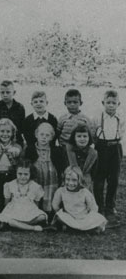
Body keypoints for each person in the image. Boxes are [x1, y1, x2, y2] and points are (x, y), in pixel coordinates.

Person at [91, 90, 125, 226]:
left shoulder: (121, 118)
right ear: (103, 103)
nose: (111, 106)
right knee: (99, 178)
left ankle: (110, 207)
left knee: (114, 179)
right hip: (102, 147)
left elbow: (121, 133)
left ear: (118, 104)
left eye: (114, 103)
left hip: (115, 147)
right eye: (108, 103)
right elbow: (93, 133)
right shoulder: (98, 117)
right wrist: (100, 145)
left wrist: (114, 144)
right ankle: (99, 206)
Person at [23, 123, 67, 219]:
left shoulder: (56, 150)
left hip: (51, 180)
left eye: (47, 135)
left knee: (50, 194)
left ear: (51, 137)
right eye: (41, 135)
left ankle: (50, 213)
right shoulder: (30, 149)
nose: (44, 138)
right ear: (36, 135)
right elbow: (26, 164)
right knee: (35, 193)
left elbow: (61, 166)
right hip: (36, 178)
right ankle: (34, 212)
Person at [52, 166, 107, 233]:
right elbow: (55, 205)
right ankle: (82, 229)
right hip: (69, 217)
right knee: (59, 217)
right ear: (64, 179)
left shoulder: (84, 192)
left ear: (79, 180)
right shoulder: (61, 191)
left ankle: (74, 229)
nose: (70, 183)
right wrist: (63, 213)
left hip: (83, 218)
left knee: (100, 222)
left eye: (74, 180)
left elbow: (93, 207)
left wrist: (90, 216)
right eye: (68, 179)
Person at [0, 160, 47, 232]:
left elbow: (37, 203)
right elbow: (6, 201)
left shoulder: (35, 186)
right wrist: (7, 211)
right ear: (16, 173)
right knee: (10, 219)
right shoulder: (10, 185)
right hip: (15, 209)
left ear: (30, 174)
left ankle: (16, 225)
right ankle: (33, 228)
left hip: (29, 209)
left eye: (26, 174)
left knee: (42, 217)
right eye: (20, 174)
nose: (23, 177)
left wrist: (34, 212)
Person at [0, 118, 22, 213]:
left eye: (8, 131)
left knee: (8, 194)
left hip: (10, 174)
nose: (5, 134)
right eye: (2, 131)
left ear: (12, 133)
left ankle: (9, 212)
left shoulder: (15, 146)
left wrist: (16, 151)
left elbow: (19, 150)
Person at [0, 80, 25, 146]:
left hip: (16, 140)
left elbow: (21, 128)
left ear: (14, 92)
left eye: (8, 92)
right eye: (2, 92)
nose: (5, 95)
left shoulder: (19, 107)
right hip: (0, 140)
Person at [66, 124, 97, 191]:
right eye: (79, 136)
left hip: (85, 181)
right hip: (69, 180)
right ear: (74, 138)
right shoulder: (69, 150)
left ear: (89, 138)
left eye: (85, 136)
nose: (82, 139)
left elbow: (94, 172)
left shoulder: (93, 153)